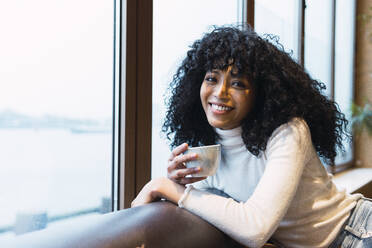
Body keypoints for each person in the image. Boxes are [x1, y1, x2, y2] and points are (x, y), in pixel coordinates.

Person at [131, 25, 372, 247]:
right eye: (212, 79)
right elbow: (213, 205)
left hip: (357, 233)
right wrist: (179, 182)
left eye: (237, 83)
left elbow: (255, 229)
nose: (220, 93)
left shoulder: (288, 131)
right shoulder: (209, 146)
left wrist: (164, 187)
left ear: (260, 93)